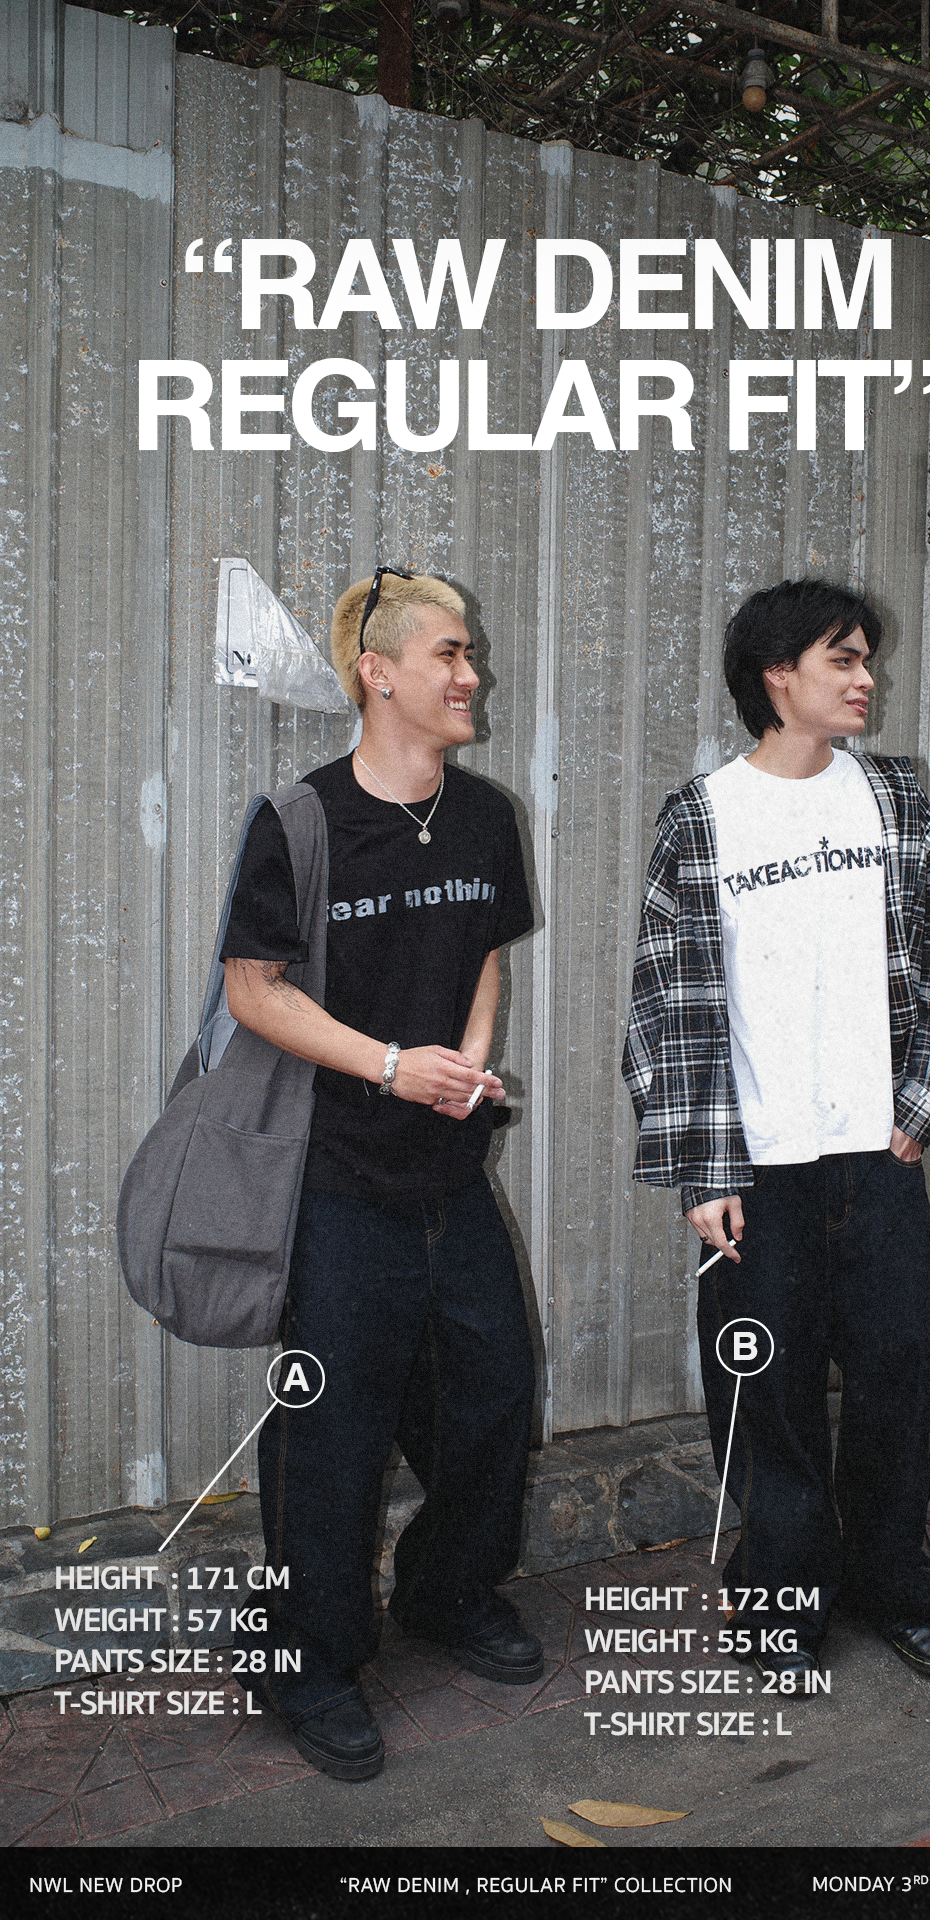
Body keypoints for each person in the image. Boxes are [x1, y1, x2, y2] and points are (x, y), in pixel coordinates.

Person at [622, 578, 930, 1685]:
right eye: (845, 660)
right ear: (779, 676)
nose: (867, 679)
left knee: (893, 1384)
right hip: (757, 1169)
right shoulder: (705, 815)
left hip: (879, 1159)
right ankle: (781, 1609)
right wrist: (702, 1171)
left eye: (866, 659)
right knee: (763, 1396)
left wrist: (921, 1109)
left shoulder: (894, 798)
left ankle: (895, 1585)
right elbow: (667, 1001)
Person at [222, 568, 540, 1780]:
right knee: (331, 1435)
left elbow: (483, 956)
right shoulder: (300, 821)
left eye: (471, 654)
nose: (472, 675)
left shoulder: (486, 816)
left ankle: (446, 1593)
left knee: (492, 1396)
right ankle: (307, 1658)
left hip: (449, 1173)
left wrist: (465, 1061)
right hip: (333, 1179)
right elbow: (255, 991)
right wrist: (392, 1067)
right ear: (380, 672)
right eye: (450, 654)